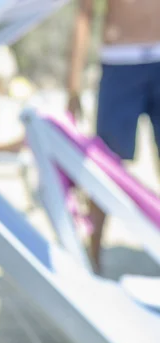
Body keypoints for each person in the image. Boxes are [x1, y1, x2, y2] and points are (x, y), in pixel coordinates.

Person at [66, 0, 160, 274]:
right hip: (119, 61)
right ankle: (92, 257)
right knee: (105, 165)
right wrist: (73, 86)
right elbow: (84, 13)